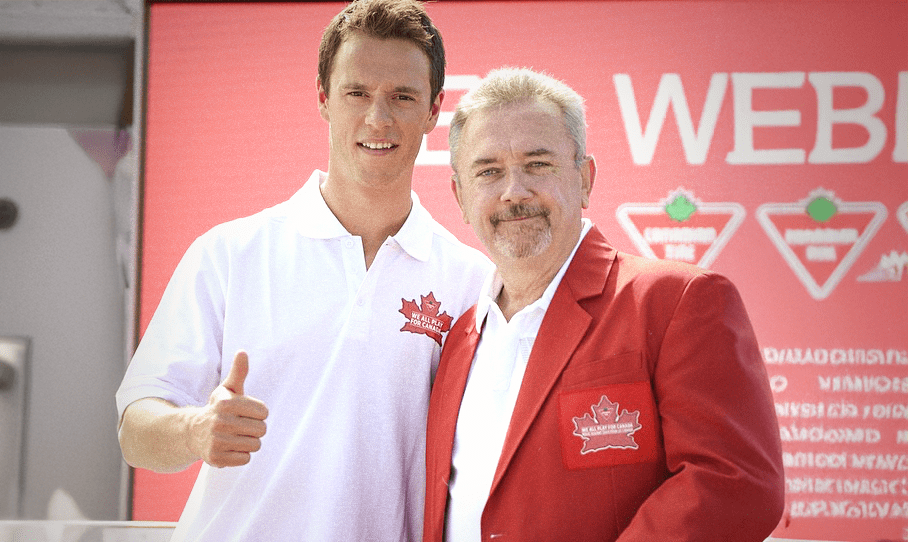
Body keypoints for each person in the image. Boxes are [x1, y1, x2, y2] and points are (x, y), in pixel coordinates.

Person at [116, 1, 491, 541]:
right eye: (356, 92)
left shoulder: (471, 280)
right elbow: (135, 429)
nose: (378, 118)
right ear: (323, 98)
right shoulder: (230, 253)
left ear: (434, 111)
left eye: (402, 97)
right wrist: (196, 430)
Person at [423, 68, 784, 541]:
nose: (515, 191)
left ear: (585, 179)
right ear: (461, 197)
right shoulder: (456, 338)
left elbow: (735, 483)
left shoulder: (676, 302)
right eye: (488, 171)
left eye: (538, 164)